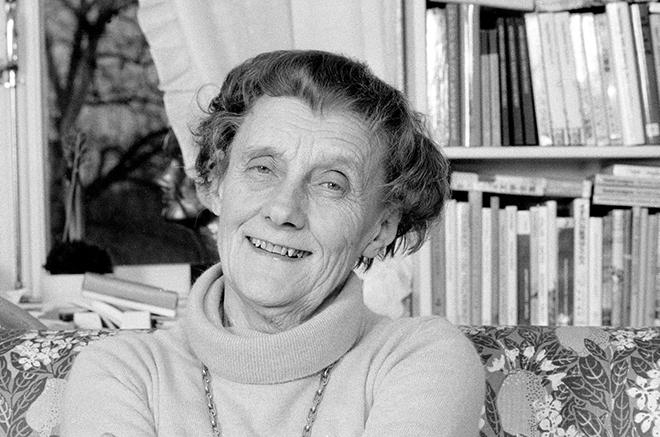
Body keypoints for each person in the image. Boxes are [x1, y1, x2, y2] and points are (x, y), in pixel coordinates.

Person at [62, 50, 485, 436]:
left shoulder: (421, 358)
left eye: (331, 184)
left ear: (380, 229)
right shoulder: (122, 371)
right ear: (215, 183)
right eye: (263, 168)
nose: (283, 210)